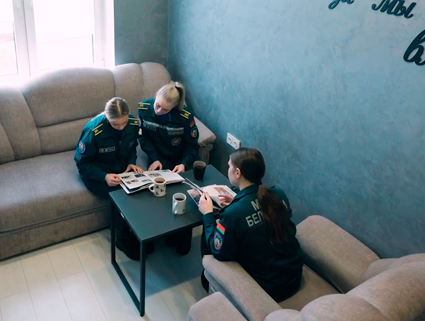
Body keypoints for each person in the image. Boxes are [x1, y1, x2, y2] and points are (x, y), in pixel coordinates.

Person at [198, 147, 303, 302]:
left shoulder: (233, 214)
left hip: (270, 287)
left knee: (210, 239)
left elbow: (218, 251)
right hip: (294, 276)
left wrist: (207, 214)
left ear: (238, 173)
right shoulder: (278, 195)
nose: (228, 168)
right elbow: (261, 217)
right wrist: (237, 202)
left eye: (229, 166)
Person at [75, 97, 152, 260]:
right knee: (122, 196)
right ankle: (122, 239)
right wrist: (104, 177)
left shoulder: (133, 123)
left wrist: (131, 163)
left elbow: (132, 147)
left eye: (124, 123)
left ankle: (140, 233)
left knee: (143, 189)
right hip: (97, 173)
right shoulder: (93, 131)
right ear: (107, 117)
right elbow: (82, 164)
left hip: (121, 169)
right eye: (116, 124)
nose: (121, 127)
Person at [137, 82, 200, 254]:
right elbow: (143, 138)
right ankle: (160, 232)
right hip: (158, 157)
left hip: (180, 159)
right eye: (157, 105)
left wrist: (184, 164)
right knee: (157, 196)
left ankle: (183, 236)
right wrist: (154, 158)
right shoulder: (143, 108)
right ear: (155, 96)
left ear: (174, 107)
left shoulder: (185, 116)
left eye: (165, 109)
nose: (158, 111)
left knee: (182, 197)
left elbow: (192, 146)